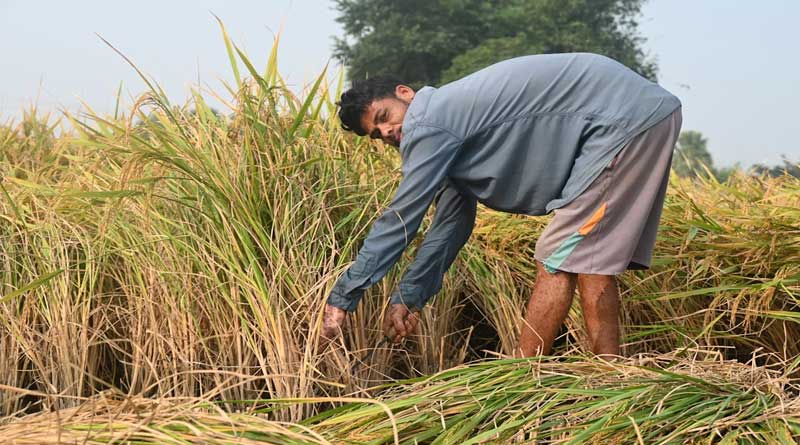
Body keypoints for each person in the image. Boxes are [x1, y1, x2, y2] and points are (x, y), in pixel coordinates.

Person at [321, 53, 682, 357]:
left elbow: (401, 218)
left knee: (555, 253)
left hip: (622, 119)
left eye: (383, 117)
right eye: (376, 135)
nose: (385, 133)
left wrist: (343, 297)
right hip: (630, 114)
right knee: (585, 256)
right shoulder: (446, 134)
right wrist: (409, 297)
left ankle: (520, 377)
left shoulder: (429, 121)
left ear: (405, 94)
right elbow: (450, 225)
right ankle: (611, 375)